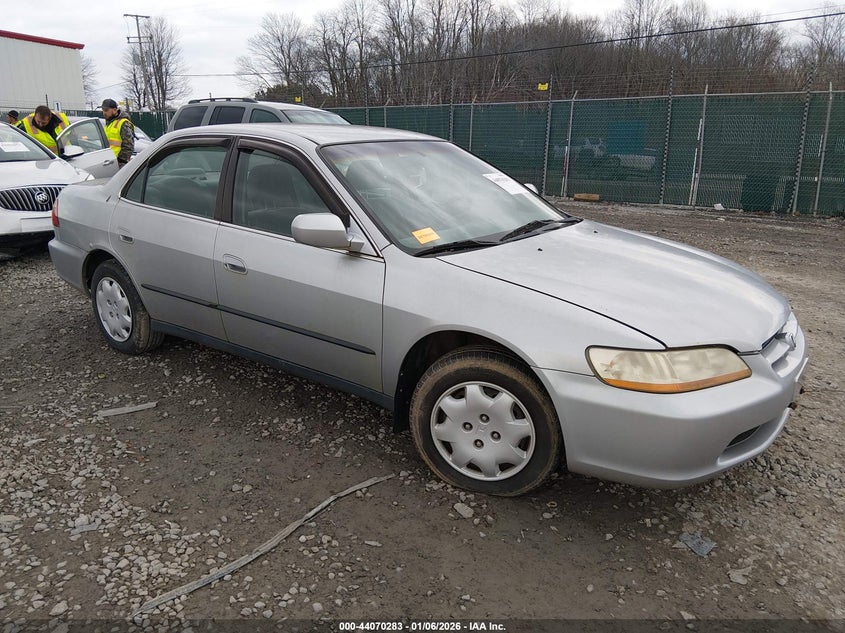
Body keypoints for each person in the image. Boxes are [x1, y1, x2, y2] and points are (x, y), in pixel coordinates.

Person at [101, 98, 134, 168]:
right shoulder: (109, 123)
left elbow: (128, 146)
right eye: (103, 110)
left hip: (118, 163)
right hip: (109, 162)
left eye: (106, 110)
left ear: (115, 110)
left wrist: (121, 161)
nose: (104, 113)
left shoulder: (123, 123)